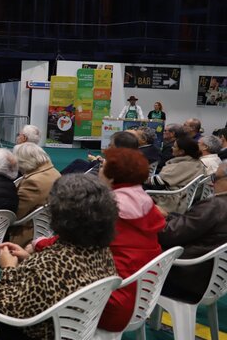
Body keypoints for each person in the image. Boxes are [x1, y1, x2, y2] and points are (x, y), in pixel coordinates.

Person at [0, 174, 119, 340]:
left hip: (37, 331)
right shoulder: (102, 251)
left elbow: (11, 307)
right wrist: (28, 259)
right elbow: (60, 279)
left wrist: (8, 268)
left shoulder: (51, 263)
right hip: (74, 328)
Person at [96, 148, 165, 332]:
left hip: (107, 301)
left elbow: (71, 243)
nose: (99, 170)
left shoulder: (106, 207)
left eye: (102, 166)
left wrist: (37, 244)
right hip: (143, 299)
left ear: (112, 176)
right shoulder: (146, 202)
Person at [158, 162, 227, 303]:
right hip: (214, 281)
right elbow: (194, 224)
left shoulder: (215, 206)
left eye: (214, 178)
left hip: (184, 277)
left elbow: (168, 235)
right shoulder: (217, 207)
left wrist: (153, 219)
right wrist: (169, 216)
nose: (211, 183)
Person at [9, 142, 61, 246]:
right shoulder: (54, 172)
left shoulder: (33, 182)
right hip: (49, 228)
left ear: (23, 162)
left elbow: (15, 215)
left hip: (28, 233)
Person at [146, 136, 206, 213]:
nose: (172, 148)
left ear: (181, 152)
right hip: (179, 195)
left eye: (174, 147)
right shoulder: (195, 162)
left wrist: (142, 179)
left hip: (170, 198)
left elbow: (159, 181)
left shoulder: (183, 165)